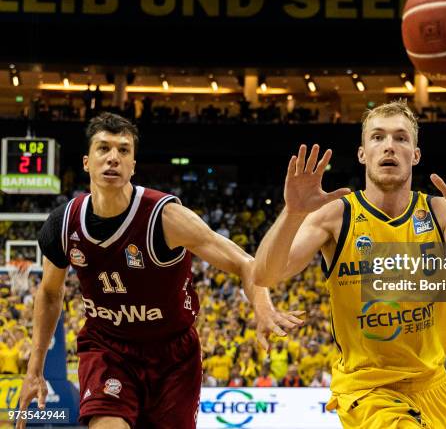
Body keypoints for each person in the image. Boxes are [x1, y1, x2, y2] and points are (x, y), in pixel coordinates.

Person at [18, 112, 303, 429]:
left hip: (172, 356)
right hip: (108, 348)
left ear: (133, 165)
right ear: (86, 162)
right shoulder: (63, 223)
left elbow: (243, 262)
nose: (113, 158)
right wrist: (35, 369)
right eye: (104, 148)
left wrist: (262, 307)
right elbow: (48, 293)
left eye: (123, 150)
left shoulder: (165, 217)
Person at [254, 100, 446, 428]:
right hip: (368, 388)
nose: (389, 146)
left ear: (415, 155)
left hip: (435, 386)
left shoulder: (441, 213)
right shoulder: (335, 216)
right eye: (378, 137)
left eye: (401, 138)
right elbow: (266, 274)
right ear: (362, 153)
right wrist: (292, 213)